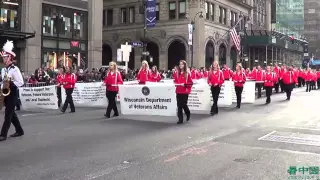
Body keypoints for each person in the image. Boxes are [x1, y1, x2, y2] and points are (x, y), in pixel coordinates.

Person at [0, 40, 24, 142]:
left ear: (9, 57)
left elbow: (21, 82)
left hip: (13, 93)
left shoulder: (15, 69)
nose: (3, 59)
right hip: (5, 93)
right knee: (11, 113)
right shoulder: (3, 70)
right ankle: (19, 130)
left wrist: (11, 84)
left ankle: (3, 134)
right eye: (3, 57)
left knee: (8, 114)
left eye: (5, 57)